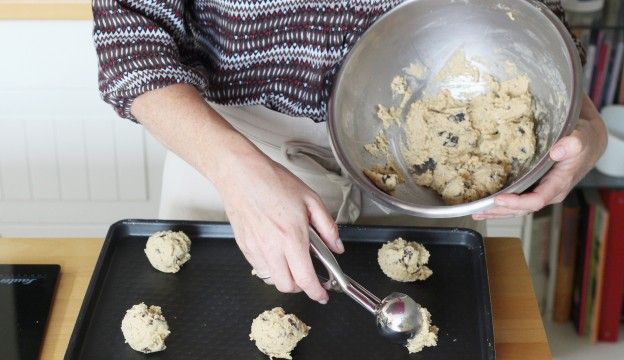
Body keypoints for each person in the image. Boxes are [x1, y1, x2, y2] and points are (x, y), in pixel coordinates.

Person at [93, 0, 607, 305]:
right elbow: (131, 43)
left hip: (438, 157)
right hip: (234, 157)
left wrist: (584, 122)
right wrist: (237, 174)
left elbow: (533, 14)